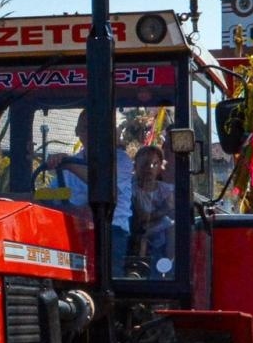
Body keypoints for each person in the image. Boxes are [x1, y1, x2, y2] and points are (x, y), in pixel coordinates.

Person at [48, 112, 134, 275]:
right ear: (77, 132)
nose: (92, 133)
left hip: (111, 230)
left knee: (109, 275)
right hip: (76, 230)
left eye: (98, 128)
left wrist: (68, 164)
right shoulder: (69, 164)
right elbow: (50, 195)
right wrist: (8, 197)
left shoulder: (121, 160)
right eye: (86, 128)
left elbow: (105, 183)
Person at [131, 144, 175, 262]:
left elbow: (172, 208)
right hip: (141, 231)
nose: (149, 167)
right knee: (143, 238)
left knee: (172, 226)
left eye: (155, 164)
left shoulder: (167, 189)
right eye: (145, 164)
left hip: (163, 233)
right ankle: (138, 266)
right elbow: (142, 217)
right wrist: (163, 211)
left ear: (161, 167)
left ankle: (169, 265)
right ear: (135, 167)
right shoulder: (132, 190)